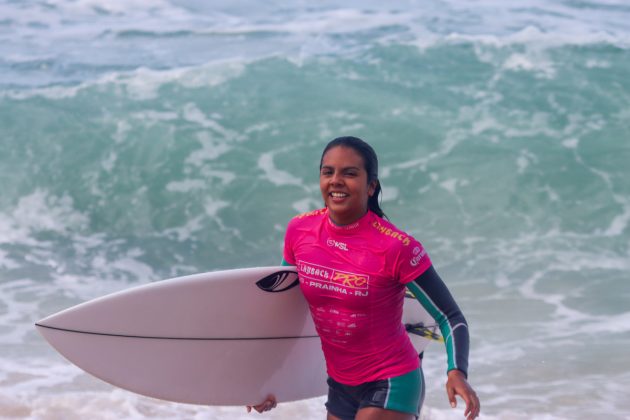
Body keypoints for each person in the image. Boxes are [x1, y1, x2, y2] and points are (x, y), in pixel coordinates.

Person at [248, 136, 480, 420]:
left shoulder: (396, 247)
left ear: (371, 186)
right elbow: (287, 312)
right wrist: (269, 382)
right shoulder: (300, 230)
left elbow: (450, 316)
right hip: (340, 384)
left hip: (392, 380)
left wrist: (456, 372)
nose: (336, 180)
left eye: (350, 173)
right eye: (328, 171)